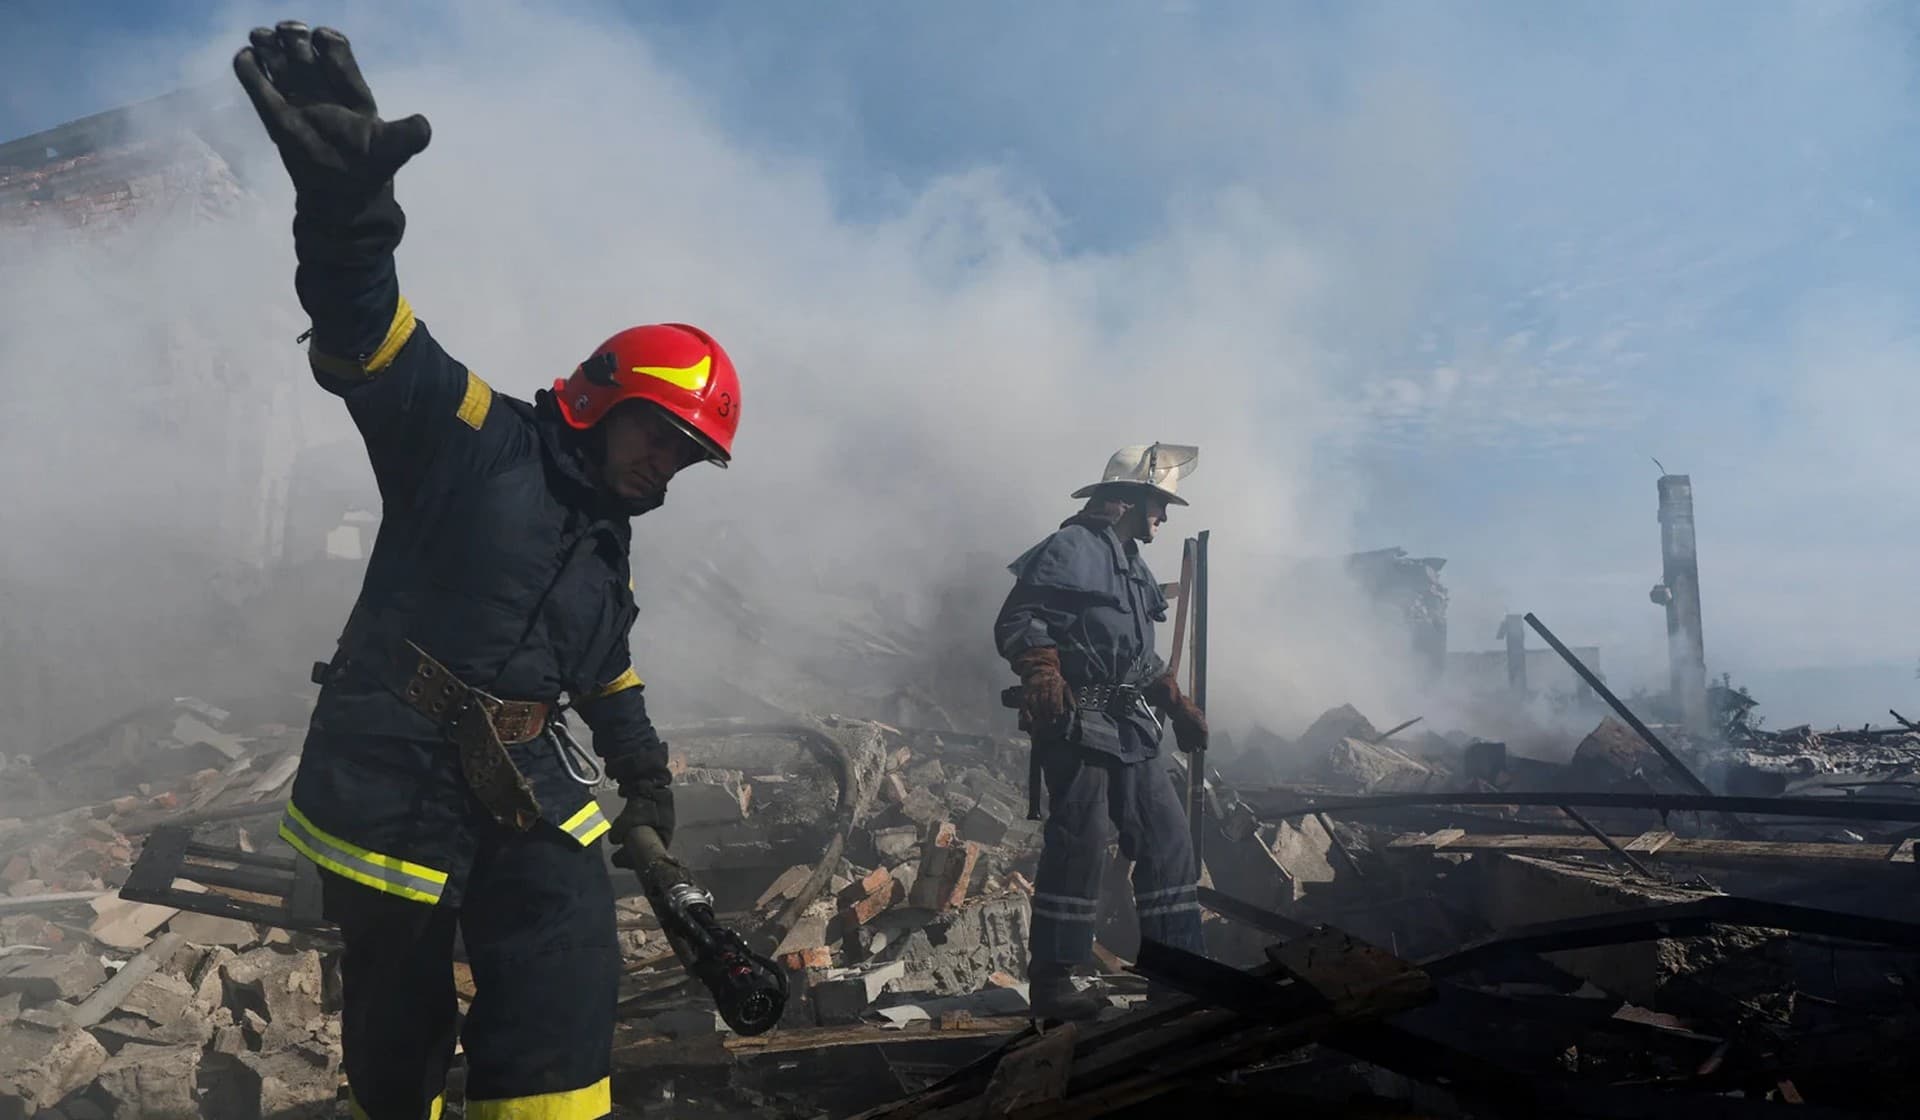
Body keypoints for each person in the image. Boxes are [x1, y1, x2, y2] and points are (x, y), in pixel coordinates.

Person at [233, 23, 741, 1119]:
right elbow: (367, 332)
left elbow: (605, 674)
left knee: (567, 959)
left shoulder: (608, 552)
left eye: (689, 454)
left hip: (522, 781)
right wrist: (347, 213)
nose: (670, 463)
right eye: (660, 434)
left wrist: (642, 775)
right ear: (606, 397)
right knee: (400, 1020)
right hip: (389, 768)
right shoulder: (473, 437)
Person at [992, 443, 1209, 1020]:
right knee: (1079, 845)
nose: (1162, 516)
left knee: (1169, 844)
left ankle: (1179, 975)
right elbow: (1019, 618)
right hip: (1080, 724)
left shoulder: (1132, 565)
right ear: (1126, 501)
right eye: (1157, 503)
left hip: (1133, 728)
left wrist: (1173, 699)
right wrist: (1041, 667)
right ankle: (1055, 982)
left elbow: (1136, 657)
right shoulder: (1070, 548)